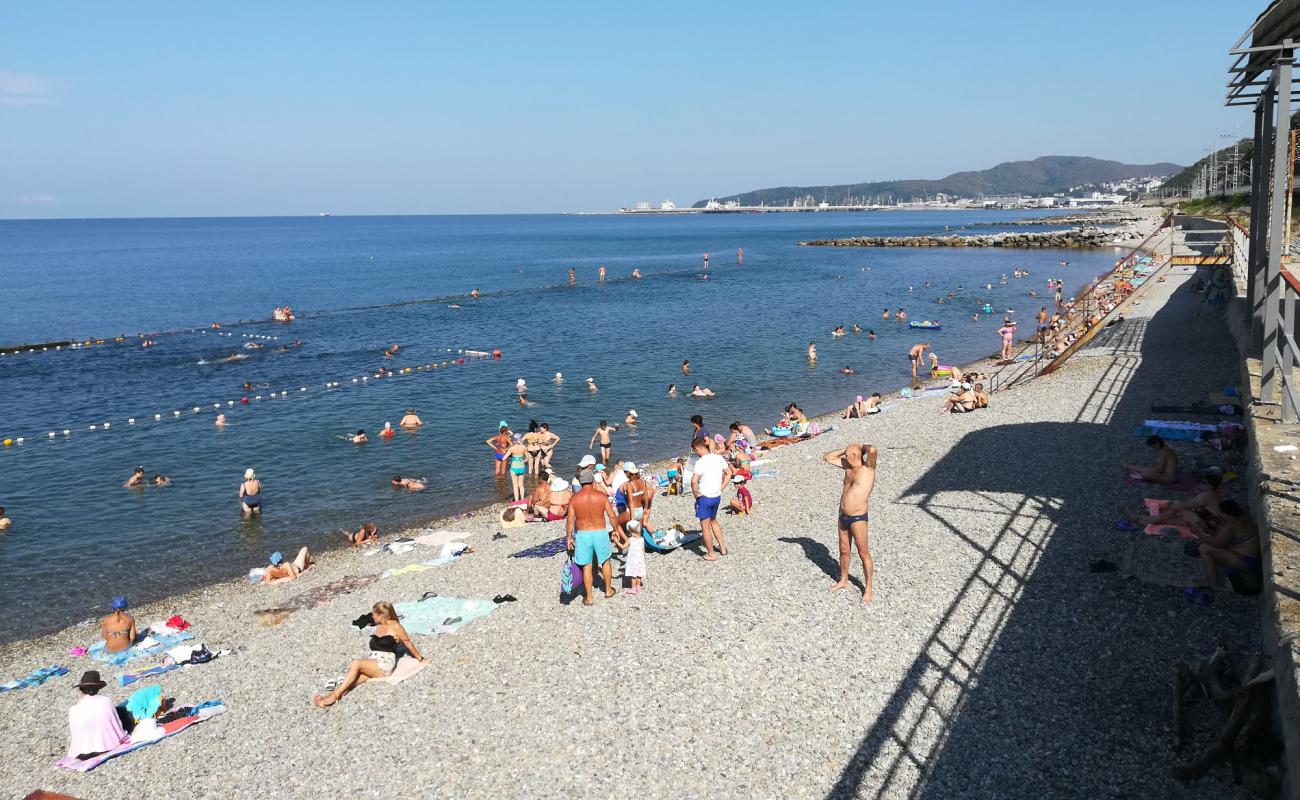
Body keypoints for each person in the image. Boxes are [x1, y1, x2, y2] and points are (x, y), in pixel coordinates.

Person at [314, 602, 428, 707]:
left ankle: (334, 696)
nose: (372, 616)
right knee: (352, 681)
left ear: (380, 616)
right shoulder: (378, 623)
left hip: (385, 664)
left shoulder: (395, 626)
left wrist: (421, 659)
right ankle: (330, 698)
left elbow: (408, 644)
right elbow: (363, 619)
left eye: (374, 614)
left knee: (356, 663)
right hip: (374, 661)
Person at [823, 443, 878, 604]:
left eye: (852, 454)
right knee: (844, 550)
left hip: (858, 518)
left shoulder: (868, 469)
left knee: (863, 553)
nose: (848, 457)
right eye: (847, 454)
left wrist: (862, 446)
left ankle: (868, 589)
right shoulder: (846, 466)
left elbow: (873, 451)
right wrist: (845, 449)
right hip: (843, 516)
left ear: (859, 455)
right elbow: (827, 457)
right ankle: (844, 579)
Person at [565, 470, 624, 605]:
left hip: (583, 535)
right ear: (592, 481)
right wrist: (616, 530)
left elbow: (569, 521)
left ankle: (590, 598)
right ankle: (608, 590)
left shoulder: (574, 498)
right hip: (600, 533)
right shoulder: (601, 496)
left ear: (580, 482)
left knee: (586, 566)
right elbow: (612, 516)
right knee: (605, 561)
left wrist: (569, 537)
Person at [1191, 499, 1261, 600]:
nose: (1221, 515)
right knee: (1212, 549)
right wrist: (1207, 530)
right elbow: (1223, 539)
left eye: (1222, 513)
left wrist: (1198, 533)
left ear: (1228, 514)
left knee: (1204, 548)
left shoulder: (1231, 525)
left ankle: (1212, 582)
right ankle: (1217, 577)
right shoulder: (1246, 519)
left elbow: (1217, 543)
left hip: (1244, 561)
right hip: (1253, 560)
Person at [67, 671, 129, 761]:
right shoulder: (106, 701)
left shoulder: (73, 709)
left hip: (82, 754)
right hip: (107, 747)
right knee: (121, 711)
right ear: (98, 688)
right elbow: (117, 726)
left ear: (81, 689)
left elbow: (76, 735)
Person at [691, 438, 733, 561]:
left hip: (705, 496)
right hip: (716, 495)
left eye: (695, 451)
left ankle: (711, 554)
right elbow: (729, 473)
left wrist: (695, 493)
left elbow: (694, 481)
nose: (696, 453)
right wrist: (722, 487)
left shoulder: (700, 462)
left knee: (705, 526)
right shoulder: (718, 458)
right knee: (713, 520)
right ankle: (722, 548)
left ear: (698, 448)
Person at [619, 463, 652, 595]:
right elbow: (646, 498)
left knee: (630, 533)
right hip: (641, 509)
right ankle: (639, 551)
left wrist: (632, 519)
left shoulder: (629, 485)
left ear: (628, 473)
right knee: (638, 535)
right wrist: (646, 510)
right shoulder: (642, 482)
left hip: (634, 511)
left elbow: (631, 503)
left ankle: (629, 548)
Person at [504, 435, 528, 501]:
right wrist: (522, 460)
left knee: (515, 486)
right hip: (522, 467)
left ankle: (517, 501)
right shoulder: (524, 447)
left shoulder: (512, 448)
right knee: (521, 485)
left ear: (514, 440)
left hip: (514, 467)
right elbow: (527, 459)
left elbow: (504, 458)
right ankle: (522, 500)